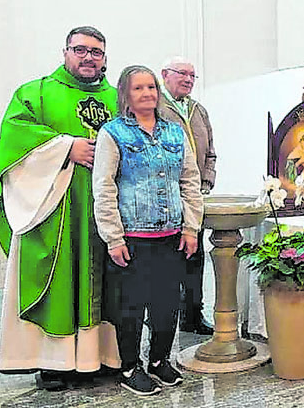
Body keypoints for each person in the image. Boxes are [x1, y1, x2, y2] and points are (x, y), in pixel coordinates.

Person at [0, 26, 120, 390]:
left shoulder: (118, 97)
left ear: (104, 58)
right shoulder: (35, 92)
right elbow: (12, 138)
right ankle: (54, 362)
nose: (88, 57)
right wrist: (66, 147)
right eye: (80, 49)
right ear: (65, 51)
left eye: (96, 52)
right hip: (57, 208)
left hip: (107, 209)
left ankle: (100, 356)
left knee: (109, 283)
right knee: (62, 279)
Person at [93, 65, 203, 395]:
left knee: (166, 304)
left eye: (152, 87)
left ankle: (158, 361)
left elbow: (190, 181)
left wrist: (191, 228)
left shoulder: (174, 133)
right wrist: (113, 237)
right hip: (132, 238)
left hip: (171, 236)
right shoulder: (113, 134)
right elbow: (104, 187)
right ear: (126, 94)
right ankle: (130, 367)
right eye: (139, 88)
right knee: (131, 306)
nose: (148, 94)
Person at [159, 57, 216, 335]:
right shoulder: (155, 107)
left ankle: (193, 315)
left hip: (195, 197)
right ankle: (161, 318)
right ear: (164, 75)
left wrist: (207, 181)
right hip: (165, 197)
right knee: (168, 261)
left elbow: (211, 152)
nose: (188, 79)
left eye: (193, 75)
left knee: (195, 257)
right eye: (182, 73)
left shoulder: (198, 110)